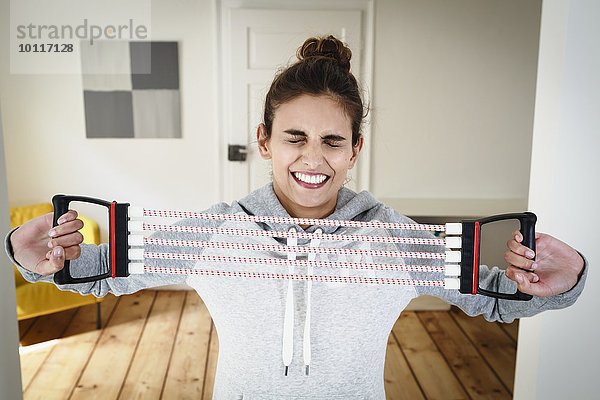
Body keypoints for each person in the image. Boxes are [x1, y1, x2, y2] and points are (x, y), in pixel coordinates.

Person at [6, 35, 586, 399]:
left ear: (355, 149)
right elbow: (97, 271)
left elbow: (493, 298)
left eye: (333, 141)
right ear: (264, 141)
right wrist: (32, 256)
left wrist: (563, 281)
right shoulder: (214, 232)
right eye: (295, 137)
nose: (313, 158)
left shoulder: (398, 240)